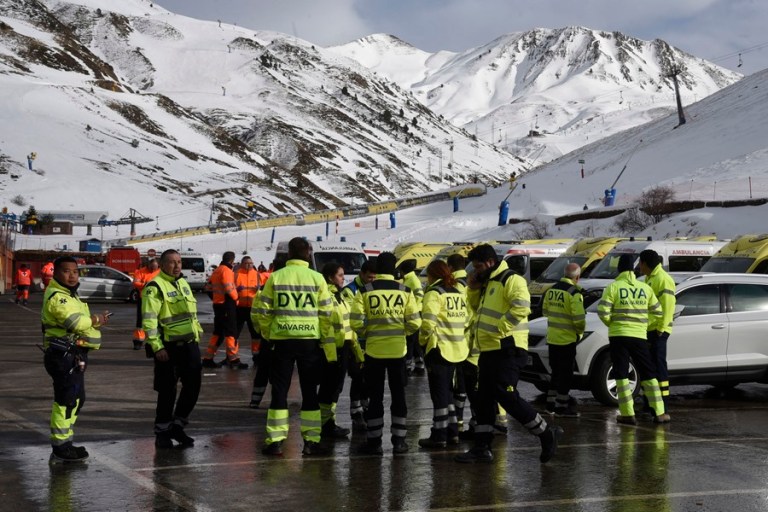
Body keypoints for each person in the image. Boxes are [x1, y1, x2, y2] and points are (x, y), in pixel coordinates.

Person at [455, 244, 560, 464]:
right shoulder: (488, 281)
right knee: (483, 399)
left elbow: (522, 307)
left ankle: (545, 432)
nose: (476, 271)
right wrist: (473, 289)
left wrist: (499, 330)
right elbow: (476, 310)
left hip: (508, 348)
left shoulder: (511, 279)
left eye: (478, 267)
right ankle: (482, 447)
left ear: (491, 263)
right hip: (489, 349)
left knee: (506, 396)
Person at [253, 238, 334, 456]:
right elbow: (327, 313)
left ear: (289, 253)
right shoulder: (317, 279)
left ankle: (276, 440)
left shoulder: (276, 277)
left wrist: (269, 333)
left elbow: (263, 310)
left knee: (279, 391)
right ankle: (311, 441)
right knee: (310, 392)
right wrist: (323, 338)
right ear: (308, 253)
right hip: (309, 342)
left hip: (282, 341)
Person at [350, 252, 421, 455]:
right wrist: (402, 333)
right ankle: (399, 442)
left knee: (375, 397)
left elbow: (355, 322)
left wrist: (368, 333)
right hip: (398, 352)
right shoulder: (405, 291)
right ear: (394, 269)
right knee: (399, 396)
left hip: (374, 351)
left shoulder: (364, 291)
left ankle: (374, 442)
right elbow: (415, 322)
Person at [42, 256, 109, 463]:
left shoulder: (71, 295)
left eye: (75, 271)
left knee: (76, 399)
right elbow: (76, 322)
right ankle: (60, 447)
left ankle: (66, 443)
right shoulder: (58, 297)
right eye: (66, 271)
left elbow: (82, 323)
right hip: (62, 356)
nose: (72, 276)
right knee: (66, 400)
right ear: (55, 273)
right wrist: (96, 320)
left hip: (73, 355)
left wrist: (92, 323)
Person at [142, 249, 204, 448]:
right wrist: (157, 347)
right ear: (161, 264)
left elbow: (191, 316)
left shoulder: (183, 283)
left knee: (193, 388)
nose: (177, 266)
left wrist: (197, 335)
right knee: (167, 392)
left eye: (179, 262)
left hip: (189, 346)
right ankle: (162, 432)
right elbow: (149, 321)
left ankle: (178, 425)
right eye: (172, 262)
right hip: (168, 348)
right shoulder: (154, 287)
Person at [597, 254, 669, 425]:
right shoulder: (645, 288)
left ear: (619, 268)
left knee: (621, 374)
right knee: (648, 372)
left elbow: (603, 311)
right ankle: (659, 413)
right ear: (634, 268)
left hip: (618, 336)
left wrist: (613, 323)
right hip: (639, 336)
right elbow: (658, 313)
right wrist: (644, 324)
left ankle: (628, 414)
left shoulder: (613, 287)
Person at [418, 260, 468, 449]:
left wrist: (423, 342)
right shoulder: (458, 293)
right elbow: (467, 319)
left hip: (439, 349)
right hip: (458, 350)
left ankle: (439, 436)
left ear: (432, 275)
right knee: (448, 394)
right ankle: (453, 432)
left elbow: (428, 323)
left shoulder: (434, 293)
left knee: (439, 395)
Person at [318, 263, 364, 439]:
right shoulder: (327, 296)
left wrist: (356, 351)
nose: (343, 279)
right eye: (340, 275)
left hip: (343, 347)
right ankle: (325, 424)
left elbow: (347, 325)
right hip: (332, 349)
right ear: (330, 277)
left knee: (336, 388)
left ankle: (329, 422)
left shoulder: (338, 295)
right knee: (329, 388)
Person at [542, 262, 585, 417]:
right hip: (567, 340)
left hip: (553, 339)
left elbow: (545, 311)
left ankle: (550, 404)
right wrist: (579, 333)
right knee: (566, 375)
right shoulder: (574, 293)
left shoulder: (551, 290)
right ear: (577, 277)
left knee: (555, 373)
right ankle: (562, 407)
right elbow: (579, 320)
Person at [340, 260, 376, 431]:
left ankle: (365, 406)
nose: (372, 280)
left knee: (369, 378)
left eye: (374, 278)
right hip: (356, 342)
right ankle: (356, 413)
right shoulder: (350, 291)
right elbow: (351, 319)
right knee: (357, 377)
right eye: (369, 277)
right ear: (361, 274)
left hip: (371, 341)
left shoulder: (374, 289)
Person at [639, 249, 676, 412]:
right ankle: (650, 403)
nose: (639, 266)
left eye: (640, 263)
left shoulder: (663, 279)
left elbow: (668, 306)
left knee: (659, 367)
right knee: (649, 367)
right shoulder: (650, 278)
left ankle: (663, 405)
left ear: (645, 264)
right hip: (649, 329)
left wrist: (661, 328)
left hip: (658, 331)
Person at [249, 255, 286, 409]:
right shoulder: (281, 287)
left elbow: (256, 314)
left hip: (268, 336)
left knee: (263, 370)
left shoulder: (266, 287)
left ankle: (255, 400)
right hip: (281, 336)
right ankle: (276, 401)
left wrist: (262, 331)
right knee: (278, 372)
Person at [202, 252, 247, 369]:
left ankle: (208, 358)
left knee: (218, 333)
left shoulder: (217, 270)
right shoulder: (226, 271)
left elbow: (208, 287)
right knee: (231, 332)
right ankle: (234, 359)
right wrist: (236, 297)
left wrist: (215, 298)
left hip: (218, 305)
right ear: (232, 260)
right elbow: (228, 288)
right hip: (227, 305)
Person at [398, 258, 425, 375]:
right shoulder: (409, 279)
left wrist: (411, 306)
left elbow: (419, 295)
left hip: (413, 314)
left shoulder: (412, 280)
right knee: (414, 342)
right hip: (413, 313)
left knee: (410, 341)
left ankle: (408, 366)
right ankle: (419, 365)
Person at [234, 256, 262, 363]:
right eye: (246, 263)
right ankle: (233, 357)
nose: (249, 265)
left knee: (255, 334)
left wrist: (258, 290)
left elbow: (263, 288)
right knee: (235, 333)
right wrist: (236, 290)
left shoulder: (257, 274)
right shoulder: (236, 274)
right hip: (239, 308)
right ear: (241, 264)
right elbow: (229, 288)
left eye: (251, 263)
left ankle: (256, 356)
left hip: (253, 308)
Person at [132, 258, 160, 350]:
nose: (153, 270)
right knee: (140, 321)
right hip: (143, 299)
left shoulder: (160, 272)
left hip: (156, 300)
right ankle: (138, 341)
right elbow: (135, 282)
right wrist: (145, 285)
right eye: (151, 268)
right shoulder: (140, 272)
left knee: (156, 321)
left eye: (154, 268)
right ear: (148, 265)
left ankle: (153, 342)